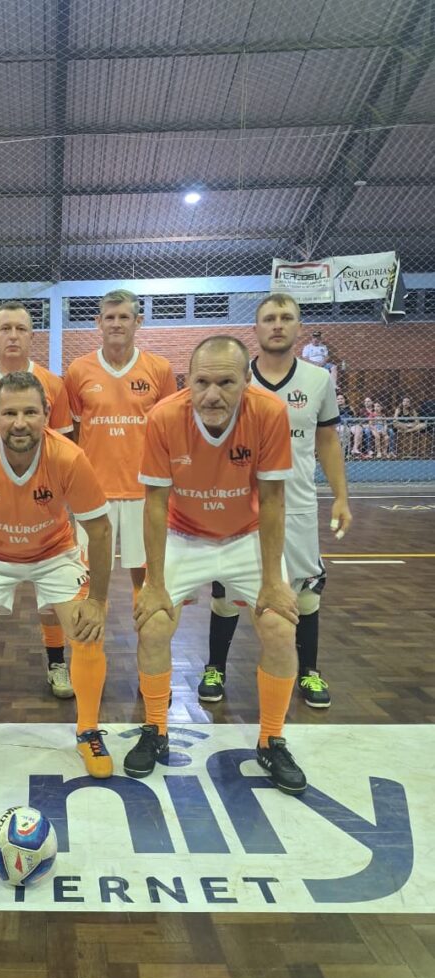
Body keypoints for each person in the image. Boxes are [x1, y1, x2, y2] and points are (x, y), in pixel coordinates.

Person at [127, 334, 305, 794]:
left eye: (226, 383)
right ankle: (155, 729)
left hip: (246, 535)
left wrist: (272, 581)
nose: (212, 394)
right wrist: (154, 582)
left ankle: (271, 740)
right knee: (153, 624)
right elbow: (154, 504)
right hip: (183, 534)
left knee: (280, 626)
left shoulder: (269, 413)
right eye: (202, 382)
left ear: (247, 381)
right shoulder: (164, 416)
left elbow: (272, 499)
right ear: (187, 380)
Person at [0, 370, 112, 780]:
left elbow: (100, 530)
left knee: (86, 631)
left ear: (47, 414)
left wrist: (98, 602)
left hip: (54, 552)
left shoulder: (67, 456)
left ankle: (87, 730)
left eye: (30, 412)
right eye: (9, 413)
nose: (19, 423)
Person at [197, 295, 351, 711]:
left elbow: (327, 441)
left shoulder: (318, 380)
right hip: (239, 506)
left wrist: (341, 496)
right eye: (269, 318)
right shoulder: (234, 380)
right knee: (226, 591)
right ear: (256, 328)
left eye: (286, 318)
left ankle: (309, 670)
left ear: (299, 326)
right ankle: (215, 668)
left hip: (296, 504)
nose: (277, 325)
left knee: (305, 593)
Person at [0, 301, 76, 699]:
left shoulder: (52, 384)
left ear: (31, 335)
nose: (12, 336)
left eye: (20, 329)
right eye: (5, 328)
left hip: (43, 507)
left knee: (52, 595)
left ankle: (57, 662)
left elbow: (64, 446)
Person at [64, 289, 177, 599]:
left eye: (124, 317)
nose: (116, 323)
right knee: (87, 578)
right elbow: (75, 430)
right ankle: (92, 631)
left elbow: (169, 429)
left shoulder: (159, 369)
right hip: (94, 490)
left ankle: (146, 628)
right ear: (98, 322)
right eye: (110, 317)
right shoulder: (78, 370)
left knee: (146, 577)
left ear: (138, 321)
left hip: (143, 489)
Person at [336, 392, 363, 457]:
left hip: (351, 423)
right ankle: (344, 451)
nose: (340, 400)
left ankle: (354, 449)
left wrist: (356, 420)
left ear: (345, 399)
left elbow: (354, 416)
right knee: (344, 430)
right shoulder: (334, 408)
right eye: (338, 399)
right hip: (340, 424)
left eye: (342, 398)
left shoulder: (350, 407)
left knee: (359, 429)